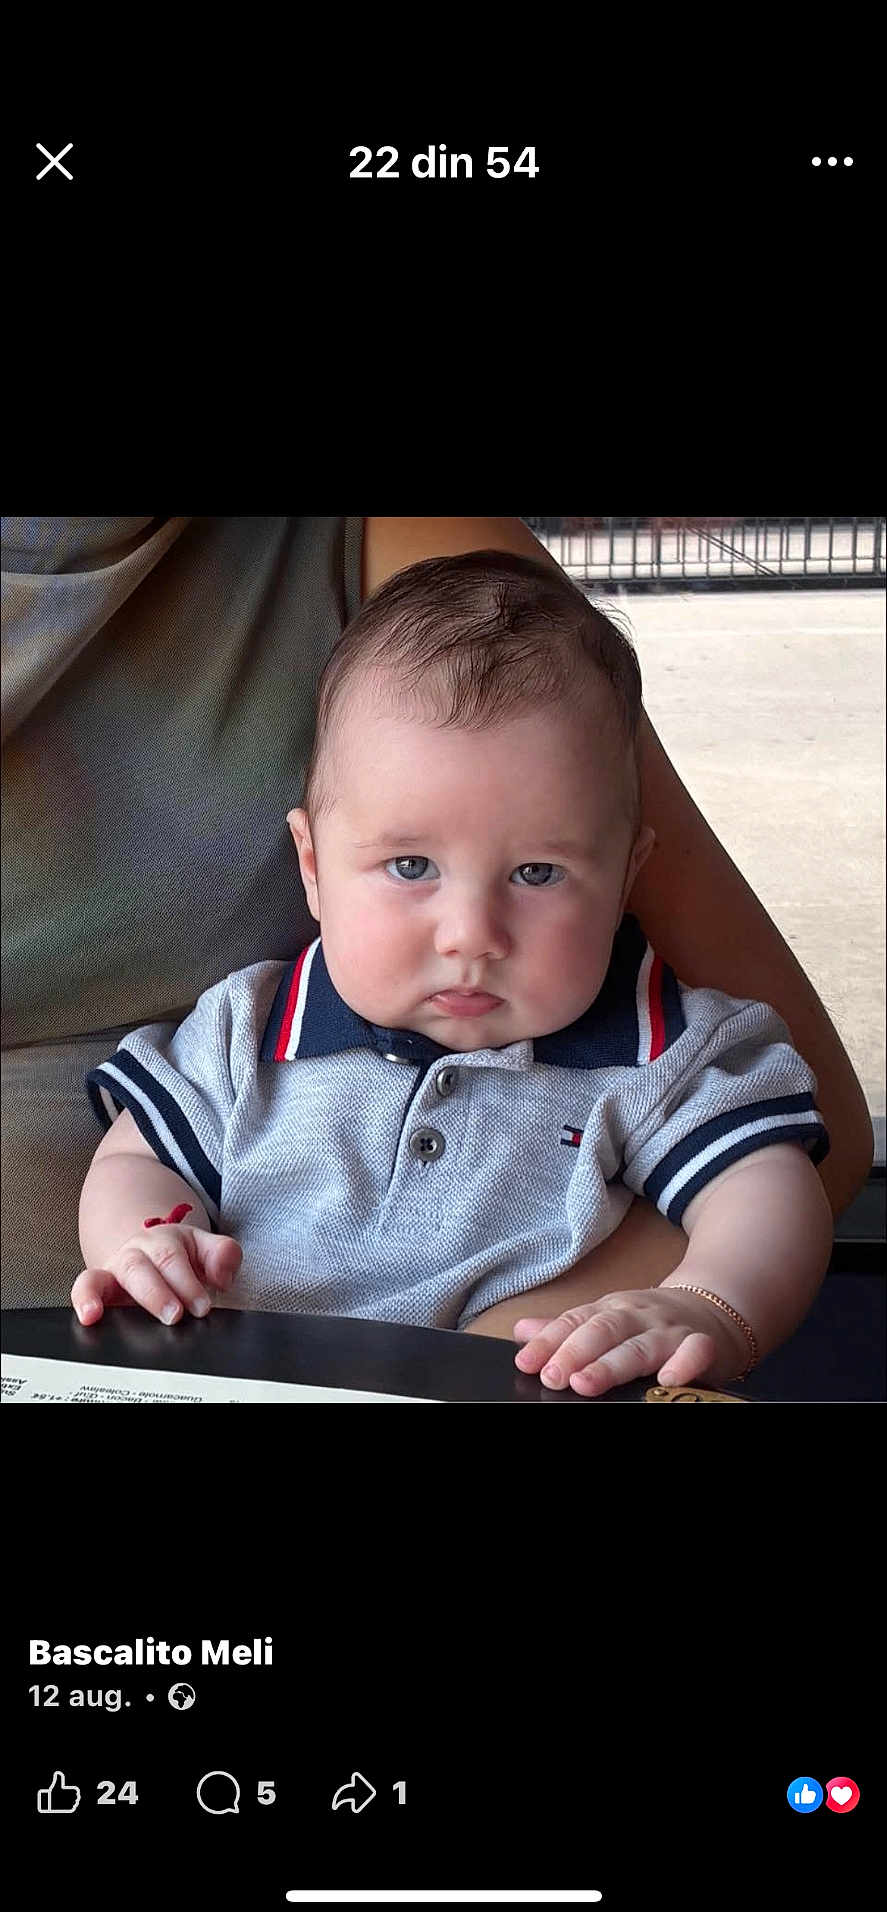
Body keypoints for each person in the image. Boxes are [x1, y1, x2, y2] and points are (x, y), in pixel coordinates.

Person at [1, 516, 873, 1329]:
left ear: (625, 878)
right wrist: (148, 1241)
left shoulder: (662, 1054)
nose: (470, 932)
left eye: (537, 872)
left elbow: (767, 1185)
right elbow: (135, 1158)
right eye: (410, 867)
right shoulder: (248, 1029)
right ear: (311, 866)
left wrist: (703, 1304)